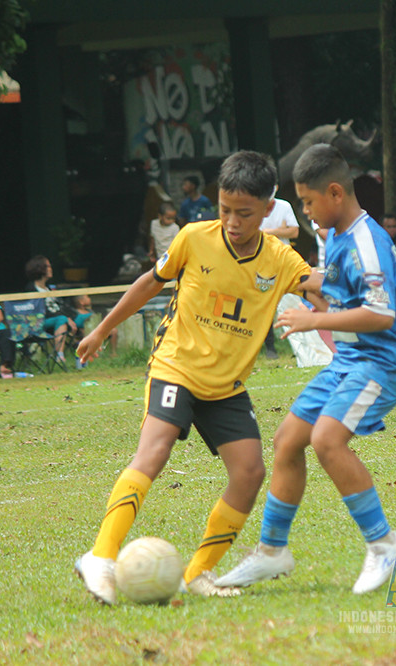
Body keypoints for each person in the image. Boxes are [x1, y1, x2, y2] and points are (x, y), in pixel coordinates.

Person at [73, 150, 321, 604]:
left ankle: (197, 574)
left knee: (249, 471)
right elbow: (150, 282)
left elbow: (322, 291)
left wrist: (351, 313)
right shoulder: (193, 238)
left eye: (244, 214)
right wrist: (102, 329)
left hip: (226, 385)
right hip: (177, 367)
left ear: (268, 210)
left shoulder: (281, 260)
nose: (231, 222)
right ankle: (101, 558)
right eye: (224, 210)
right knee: (155, 449)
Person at [215, 143, 396, 594]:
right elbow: (341, 292)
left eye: (307, 202)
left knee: (327, 439)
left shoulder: (368, 240)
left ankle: (385, 544)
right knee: (288, 439)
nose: (305, 212)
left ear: (334, 193)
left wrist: (315, 319)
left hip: (385, 361)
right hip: (351, 360)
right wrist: (312, 291)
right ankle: (272, 552)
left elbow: (381, 316)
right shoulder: (336, 236)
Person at [258, 197, 302, 359]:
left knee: (291, 302)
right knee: (265, 304)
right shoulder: (254, 204)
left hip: (284, 262)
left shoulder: (284, 205)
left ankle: (298, 346)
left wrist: (268, 232)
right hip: (261, 261)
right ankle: (270, 347)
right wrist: (280, 230)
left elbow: (294, 231)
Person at [24, 255, 77, 363]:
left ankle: (85, 349)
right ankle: (60, 355)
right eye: (47, 266)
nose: (50, 268)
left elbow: (59, 306)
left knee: (83, 318)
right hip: (40, 323)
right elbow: (40, 313)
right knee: (61, 320)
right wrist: (65, 318)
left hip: (59, 317)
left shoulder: (49, 288)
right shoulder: (31, 289)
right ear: (39, 268)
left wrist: (69, 316)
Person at [71, 295, 118, 366]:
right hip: (85, 331)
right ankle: (92, 354)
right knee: (86, 331)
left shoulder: (89, 311)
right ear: (81, 302)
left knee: (114, 330)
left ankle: (113, 352)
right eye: (87, 297)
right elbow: (77, 323)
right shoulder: (76, 313)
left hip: (97, 329)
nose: (89, 298)